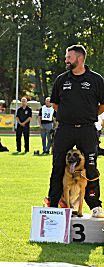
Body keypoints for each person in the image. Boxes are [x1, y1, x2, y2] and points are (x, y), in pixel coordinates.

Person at [45, 44, 104, 218]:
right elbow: (55, 104)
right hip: (65, 129)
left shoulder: (96, 79)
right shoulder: (61, 79)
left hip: (87, 130)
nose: (66, 60)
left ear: (79, 59)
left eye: (68, 57)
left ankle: (95, 205)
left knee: (91, 167)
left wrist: (88, 116)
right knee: (57, 167)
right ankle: (53, 203)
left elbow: (102, 105)